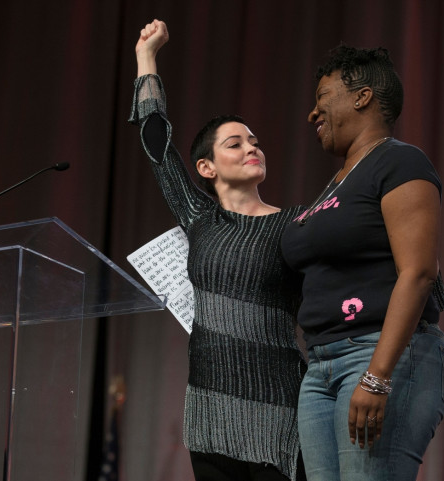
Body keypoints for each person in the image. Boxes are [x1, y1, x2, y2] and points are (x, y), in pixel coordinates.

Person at [129, 19, 306, 481]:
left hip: (279, 411)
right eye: (236, 143)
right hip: (210, 412)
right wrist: (147, 58)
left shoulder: (296, 224)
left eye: (255, 142)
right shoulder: (200, 218)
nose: (252, 147)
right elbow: (156, 144)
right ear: (206, 167)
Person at [280, 45, 444, 480]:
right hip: (321, 366)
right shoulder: (335, 185)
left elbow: (417, 273)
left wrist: (378, 377)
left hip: (379, 354)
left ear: (361, 97)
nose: (311, 113)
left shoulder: (399, 162)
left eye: (323, 97)